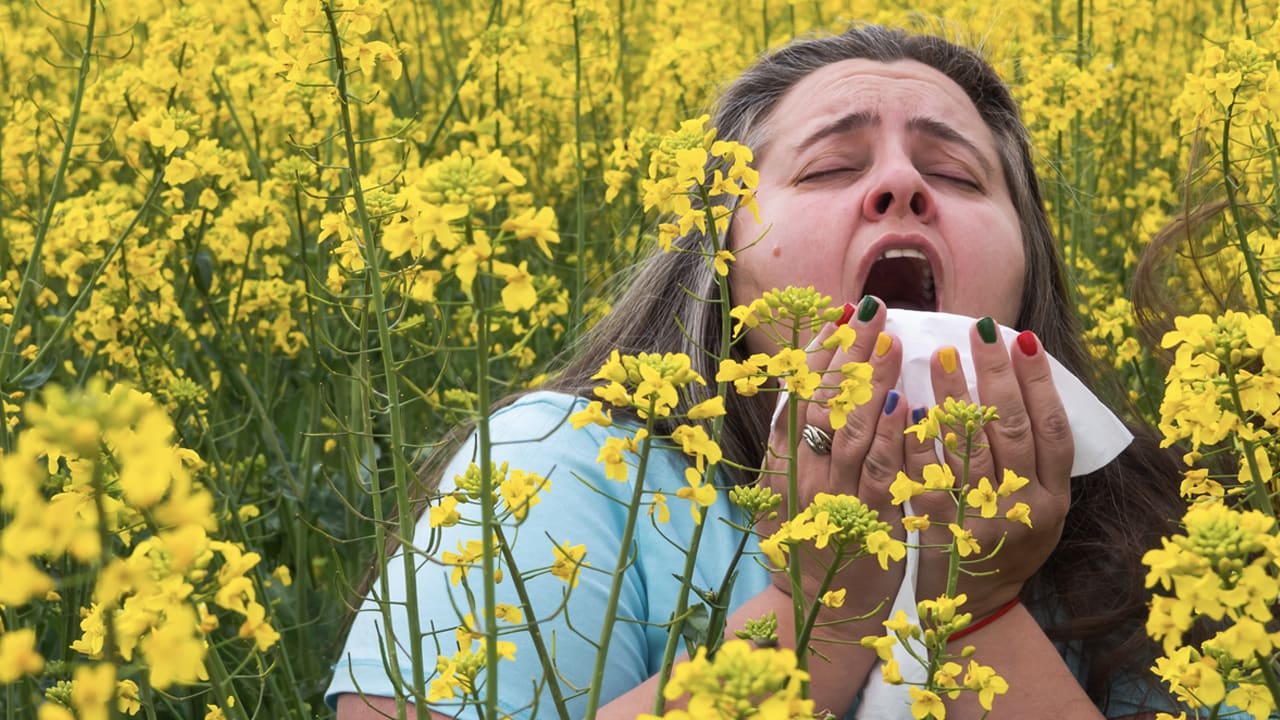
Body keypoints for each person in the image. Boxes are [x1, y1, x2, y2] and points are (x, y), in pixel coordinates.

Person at [330, 25, 1191, 719]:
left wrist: (980, 607)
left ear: (1029, 262)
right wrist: (818, 603)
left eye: (957, 174)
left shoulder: (1154, 516)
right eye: (830, 166)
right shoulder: (568, 465)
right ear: (720, 257)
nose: (899, 186)